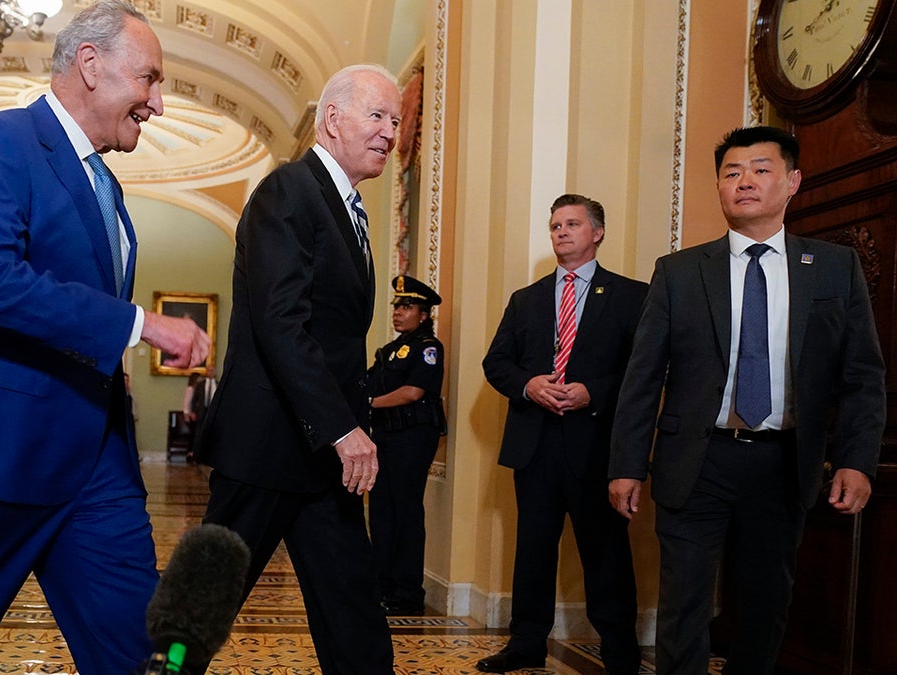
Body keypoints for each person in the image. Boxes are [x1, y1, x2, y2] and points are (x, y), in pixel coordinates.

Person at [0, 2, 210, 673]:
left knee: (145, 653)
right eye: (149, 79)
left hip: (94, 467)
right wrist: (140, 323)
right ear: (90, 63)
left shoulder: (107, 186)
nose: (159, 104)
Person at [609, 126, 885, 674]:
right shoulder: (680, 272)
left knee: (765, 603)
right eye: (732, 172)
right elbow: (643, 376)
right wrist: (626, 464)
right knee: (683, 603)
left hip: (784, 461)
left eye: (761, 169)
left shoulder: (833, 268)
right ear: (718, 187)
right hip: (697, 457)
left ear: (792, 182)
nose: (745, 182)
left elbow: (862, 375)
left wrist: (856, 460)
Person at [194, 63, 401, 674]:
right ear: (332, 118)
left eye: (395, 119)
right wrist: (343, 428)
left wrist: (339, 434)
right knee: (200, 609)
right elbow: (281, 323)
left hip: (324, 460)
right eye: (377, 115)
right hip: (267, 449)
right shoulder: (288, 190)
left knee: (353, 610)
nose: (391, 132)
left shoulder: (346, 208)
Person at [479, 194, 646, 674]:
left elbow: (644, 370)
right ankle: (526, 643)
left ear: (597, 233)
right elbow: (496, 363)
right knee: (532, 549)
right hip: (535, 446)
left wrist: (593, 392)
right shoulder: (525, 299)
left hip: (596, 448)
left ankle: (619, 651)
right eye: (554, 225)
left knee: (605, 552)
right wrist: (528, 385)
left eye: (572, 224)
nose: (561, 232)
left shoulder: (632, 295)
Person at [366, 274, 446, 617]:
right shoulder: (387, 352)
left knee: (405, 512)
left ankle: (408, 592)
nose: (398, 312)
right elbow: (366, 383)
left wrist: (368, 404)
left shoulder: (428, 348)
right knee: (382, 512)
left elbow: (413, 392)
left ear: (424, 314)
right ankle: (382, 587)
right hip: (384, 437)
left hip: (412, 438)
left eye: (407, 306)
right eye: (397, 306)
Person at [182, 367, 216, 462]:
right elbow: (194, 400)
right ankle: (197, 456)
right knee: (198, 434)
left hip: (212, 412)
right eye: (209, 370)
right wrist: (192, 411)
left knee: (211, 434)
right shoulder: (200, 385)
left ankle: (209, 456)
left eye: (212, 370)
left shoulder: (218, 384)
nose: (210, 372)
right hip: (201, 412)